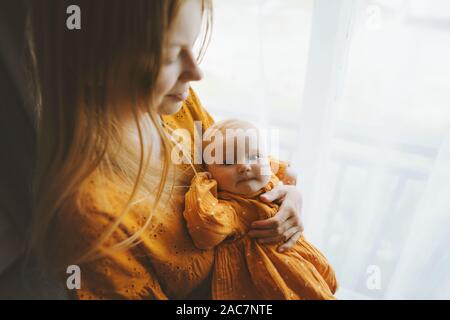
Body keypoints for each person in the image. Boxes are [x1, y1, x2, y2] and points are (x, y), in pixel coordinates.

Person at [26, 0, 305, 299]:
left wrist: (283, 196)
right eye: (170, 56)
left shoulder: (177, 105)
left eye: (192, 42)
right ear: (91, 65)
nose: (196, 72)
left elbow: (241, 172)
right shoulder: (93, 218)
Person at [184, 119, 337, 300]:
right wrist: (201, 184)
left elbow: (279, 169)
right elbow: (205, 232)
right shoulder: (230, 209)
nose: (244, 166)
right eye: (227, 162)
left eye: (253, 157)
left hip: (303, 267)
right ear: (211, 174)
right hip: (267, 285)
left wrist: (286, 177)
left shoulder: (270, 182)